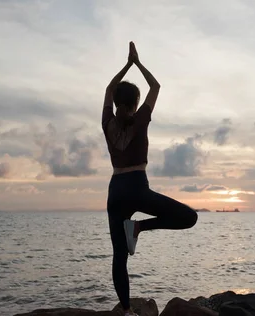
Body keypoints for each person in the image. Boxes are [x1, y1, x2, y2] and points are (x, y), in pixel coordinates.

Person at [101, 42, 198, 316]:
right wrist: (137, 63)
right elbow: (155, 87)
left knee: (119, 256)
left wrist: (125, 66)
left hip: (115, 191)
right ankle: (140, 227)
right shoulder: (141, 118)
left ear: (117, 103)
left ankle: (126, 310)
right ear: (134, 103)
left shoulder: (106, 121)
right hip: (137, 188)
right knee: (189, 217)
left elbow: (109, 89)